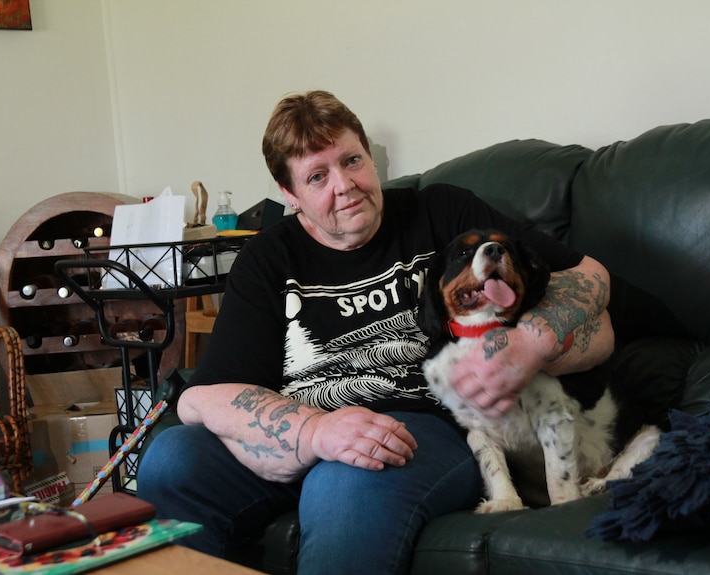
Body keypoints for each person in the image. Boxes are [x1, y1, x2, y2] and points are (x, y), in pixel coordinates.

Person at [137, 90, 614, 574]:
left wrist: (528, 344)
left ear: (368, 155)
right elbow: (201, 398)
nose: (344, 185)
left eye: (352, 160)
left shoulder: (441, 212)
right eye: (317, 177)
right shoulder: (268, 257)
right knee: (172, 458)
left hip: (422, 428)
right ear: (289, 194)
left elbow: (589, 276)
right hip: (305, 432)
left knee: (345, 479)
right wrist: (317, 432)